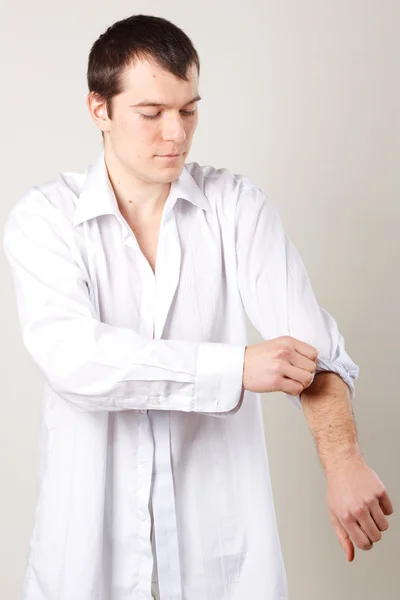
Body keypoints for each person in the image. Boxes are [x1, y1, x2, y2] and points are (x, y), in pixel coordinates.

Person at [3, 14, 393, 600]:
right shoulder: (44, 220)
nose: (176, 134)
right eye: (151, 113)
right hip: (87, 564)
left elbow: (313, 349)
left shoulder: (237, 206)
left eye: (188, 110)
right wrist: (234, 367)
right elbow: (75, 360)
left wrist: (343, 461)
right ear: (98, 109)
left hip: (221, 562)